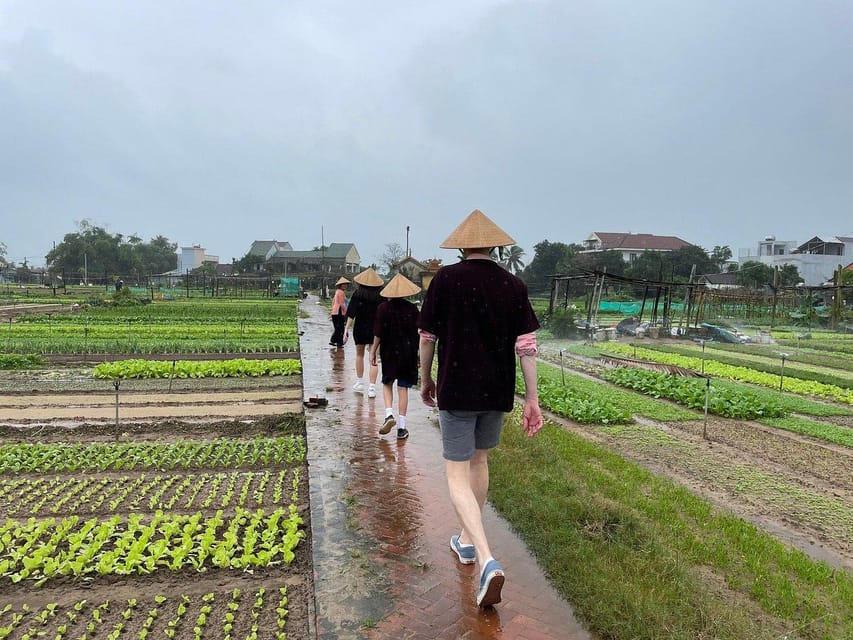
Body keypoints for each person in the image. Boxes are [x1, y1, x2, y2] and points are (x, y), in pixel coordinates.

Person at [418, 209, 543, 608]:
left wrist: (425, 378)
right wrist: (533, 399)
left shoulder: (445, 280)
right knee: (479, 461)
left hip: (456, 386)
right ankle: (467, 542)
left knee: (456, 472)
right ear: (494, 245)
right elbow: (527, 349)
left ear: (461, 245)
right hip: (497, 389)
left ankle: (486, 558)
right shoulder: (514, 284)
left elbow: (427, 338)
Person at [370, 273, 421, 441]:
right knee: (403, 388)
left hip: (390, 352)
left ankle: (388, 415)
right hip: (408, 353)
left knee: (387, 383)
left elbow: (378, 332)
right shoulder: (413, 309)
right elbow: (419, 335)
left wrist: (373, 351)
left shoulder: (383, 308)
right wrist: (419, 355)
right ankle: (401, 427)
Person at [344, 267, 384, 397]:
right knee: (374, 358)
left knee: (359, 355)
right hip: (375, 330)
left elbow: (351, 313)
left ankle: (360, 382)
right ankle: (372, 387)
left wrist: (346, 329)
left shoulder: (358, 294)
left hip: (360, 328)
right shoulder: (381, 295)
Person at [329, 276, 350, 349]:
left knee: (338, 328)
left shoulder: (337, 292)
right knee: (340, 328)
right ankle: (334, 340)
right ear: (340, 285)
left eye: (346, 284)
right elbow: (342, 304)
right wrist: (346, 312)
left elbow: (333, 302)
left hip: (335, 312)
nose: (345, 286)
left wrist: (331, 311)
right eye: (344, 284)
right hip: (339, 312)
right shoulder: (340, 292)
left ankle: (338, 342)